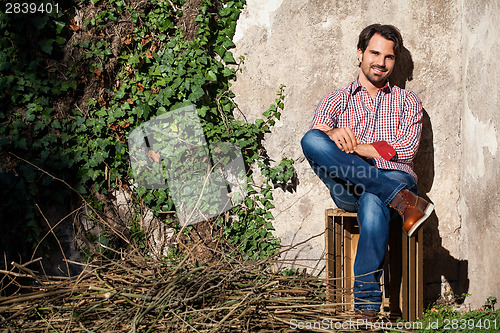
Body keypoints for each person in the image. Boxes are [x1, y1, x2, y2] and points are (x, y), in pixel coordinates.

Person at [300, 24, 434, 319]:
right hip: (347, 186)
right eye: (374, 53)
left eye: (388, 57)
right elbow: (317, 137)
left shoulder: (408, 102)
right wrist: (333, 134)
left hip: (394, 175)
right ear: (360, 53)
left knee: (374, 200)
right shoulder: (337, 98)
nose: (380, 62)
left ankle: (367, 307)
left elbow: (404, 150)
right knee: (311, 139)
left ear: (395, 62)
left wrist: (358, 147)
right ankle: (404, 201)